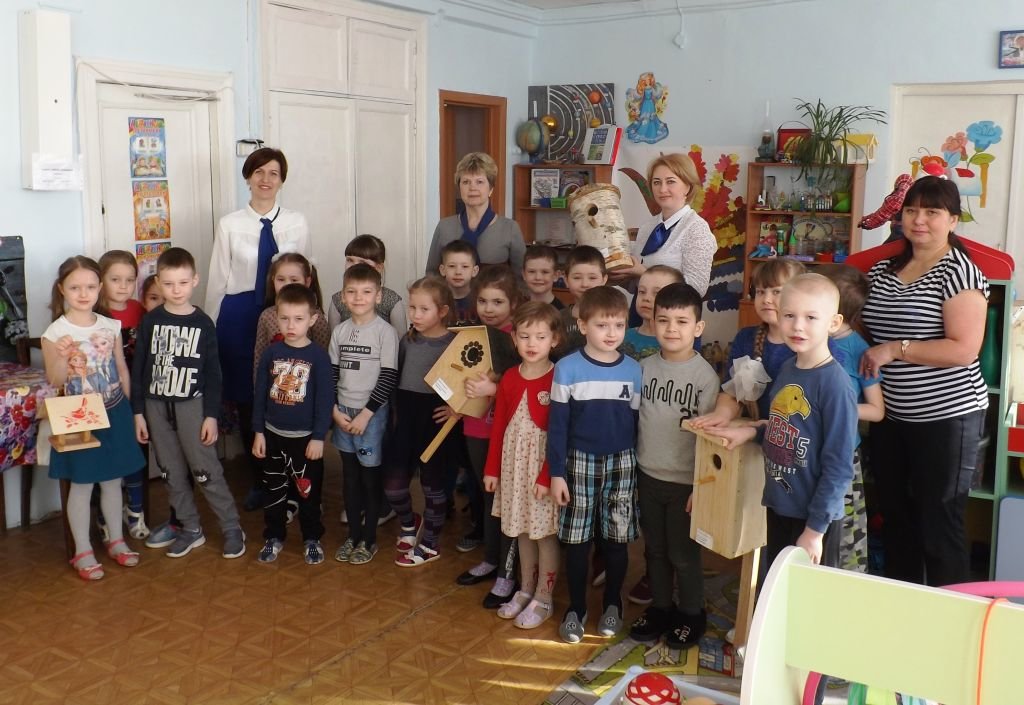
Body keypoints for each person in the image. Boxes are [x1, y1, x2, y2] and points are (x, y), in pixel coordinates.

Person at [859, 176, 989, 587]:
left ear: (952, 220)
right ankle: (904, 605)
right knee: (895, 516)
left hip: (947, 416)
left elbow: (963, 349)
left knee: (940, 522)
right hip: (890, 414)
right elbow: (862, 324)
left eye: (932, 212)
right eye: (911, 210)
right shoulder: (884, 269)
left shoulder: (960, 271)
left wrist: (895, 349)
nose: (918, 220)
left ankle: (953, 612)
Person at [707, 274, 857, 572]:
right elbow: (784, 428)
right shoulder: (789, 368)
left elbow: (839, 467)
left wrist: (815, 531)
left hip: (813, 518)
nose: (797, 326)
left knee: (807, 595)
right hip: (780, 504)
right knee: (777, 584)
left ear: (833, 322)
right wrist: (751, 432)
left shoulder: (835, 386)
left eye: (811, 317)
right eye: (789, 315)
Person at [206, 147, 311, 512]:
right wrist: (210, 328)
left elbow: (304, 274)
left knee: (287, 391)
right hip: (238, 316)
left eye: (274, 173)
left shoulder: (296, 221)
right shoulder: (230, 223)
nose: (266, 179)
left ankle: (294, 475)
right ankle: (261, 480)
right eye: (259, 172)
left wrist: (308, 315)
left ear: (282, 180)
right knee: (248, 396)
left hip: (286, 312)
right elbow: (218, 278)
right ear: (248, 177)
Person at [133, 247, 245, 559]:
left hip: (192, 407)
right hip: (156, 407)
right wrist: (139, 413)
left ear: (194, 280)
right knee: (170, 471)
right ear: (158, 282)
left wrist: (211, 416)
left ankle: (232, 527)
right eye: (168, 284)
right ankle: (190, 527)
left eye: (183, 283)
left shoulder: (203, 323)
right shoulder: (150, 321)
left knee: (205, 470)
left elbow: (213, 374)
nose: (176, 290)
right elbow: (140, 368)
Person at [547, 286, 642, 644]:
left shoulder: (633, 370)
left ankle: (612, 603)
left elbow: (636, 424)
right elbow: (557, 427)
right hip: (578, 463)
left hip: (622, 463)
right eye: (602, 325)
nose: (611, 333)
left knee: (617, 539)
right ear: (583, 325)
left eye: (619, 325)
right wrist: (557, 473)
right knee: (578, 541)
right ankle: (576, 608)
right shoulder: (566, 369)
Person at [42, 256, 146, 581]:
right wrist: (62, 357)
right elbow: (55, 380)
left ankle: (116, 540)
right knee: (83, 483)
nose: (83, 293)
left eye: (90, 286)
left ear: (99, 287)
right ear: (62, 289)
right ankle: (83, 550)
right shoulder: (55, 332)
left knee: (113, 480)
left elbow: (121, 368)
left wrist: (133, 412)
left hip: (115, 409)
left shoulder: (109, 325)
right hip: (80, 416)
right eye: (75, 287)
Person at [628, 283, 719, 647]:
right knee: (654, 550)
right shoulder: (643, 368)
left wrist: (701, 485)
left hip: (685, 483)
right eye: (663, 320)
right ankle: (661, 607)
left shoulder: (705, 377)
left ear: (698, 327)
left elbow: (710, 440)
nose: (671, 328)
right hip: (648, 475)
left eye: (682, 321)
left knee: (683, 554)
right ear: (652, 321)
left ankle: (692, 613)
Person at [483, 302, 562, 629]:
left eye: (540, 337)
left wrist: (547, 475)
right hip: (513, 467)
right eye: (525, 336)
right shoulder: (510, 377)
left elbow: (559, 435)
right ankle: (526, 589)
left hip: (541, 469)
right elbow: (499, 425)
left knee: (544, 534)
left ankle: (545, 596)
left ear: (554, 340)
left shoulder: (558, 377)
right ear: (514, 338)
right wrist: (491, 469)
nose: (532, 343)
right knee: (523, 531)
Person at [453, 266, 521, 608]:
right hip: (476, 426)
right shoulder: (473, 334)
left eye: (498, 302)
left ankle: (508, 572)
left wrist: (493, 387)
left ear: (513, 303)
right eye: (482, 301)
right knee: (487, 496)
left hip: (507, 433)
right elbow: (457, 374)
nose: (489, 308)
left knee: (506, 503)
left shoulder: (520, 337)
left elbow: (525, 381)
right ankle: (492, 559)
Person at [253, 284, 334, 565]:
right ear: (276, 317)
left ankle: (312, 539)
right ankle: (274, 536)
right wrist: (259, 432)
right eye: (284, 318)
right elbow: (260, 395)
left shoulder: (319, 357)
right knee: (274, 491)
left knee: (308, 493)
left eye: (298, 319)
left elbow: (325, 400)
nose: (291, 325)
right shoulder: (271, 353)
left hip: (306, 439)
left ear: (312, 319)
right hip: (272, 435)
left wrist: (319, 437)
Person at [387, 277, 459, 567]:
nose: (415, 315)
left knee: (433, 487)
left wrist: (456, 409)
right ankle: (409, 522)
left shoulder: (455, 343)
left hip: (435, 421)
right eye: (412, 308)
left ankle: (430, 544)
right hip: (406, 418)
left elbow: (467, 384)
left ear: (442, 311)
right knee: (394, 486)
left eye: (424, 309)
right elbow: (396, 378)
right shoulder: (407, 340)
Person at [330, 264, 400, 566]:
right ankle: (353, 536)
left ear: (378, 295)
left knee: (370, 479)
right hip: (342, 414)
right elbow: (332, 373)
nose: (359, 297)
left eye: (366, 291)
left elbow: (388, 376)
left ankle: (369, 539)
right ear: (343, 296)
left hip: (371, 415)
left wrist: (366, 414)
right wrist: (333, 410)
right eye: (352, 292)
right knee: (350, 478)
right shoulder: (340, 331)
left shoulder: (385, 332)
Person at [821, 264, 885, 573]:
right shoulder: (808, 338)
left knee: (842, 533)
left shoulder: (859, 350)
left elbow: (877, 410)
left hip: (841, 453)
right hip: (804, 451)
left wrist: (838, 408)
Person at [693, 258, 806, 426]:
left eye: (776, 292)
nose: (766, 299)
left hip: (794, 435)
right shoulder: (745, 338)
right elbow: (732, 392)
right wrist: (721, 414)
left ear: (802, 297)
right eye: (760, 292)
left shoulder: (813, 345)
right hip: (751, 431)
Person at [614, 153, 716, 326]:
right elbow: (635, 286)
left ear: (687, 187)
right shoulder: (647, 227)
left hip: (674, 321)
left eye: (670, 182)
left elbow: (696, 287)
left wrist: (643, 272)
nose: (662, 189)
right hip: (641, 316)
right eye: (656, 182)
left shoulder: (696, 229)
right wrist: (617, 274)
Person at [97, 250, 149, 540]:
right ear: (101, 281)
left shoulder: (139, 310)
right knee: (107, 458)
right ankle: (106, 517)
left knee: (134, 455)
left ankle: (136, 512)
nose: (123, 286)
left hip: (137, 391)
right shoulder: (95, 313)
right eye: (115, 279)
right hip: (105, 395)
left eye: (130, 280)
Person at [425, 152, 526, 276]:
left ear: (491, 189)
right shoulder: (444, 227)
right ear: (459, 188)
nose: (472, 187)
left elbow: (522, 277)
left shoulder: (510, 228)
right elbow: (431, 273)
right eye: (466, 182)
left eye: (479, 182)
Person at [254, 253, 330, 369]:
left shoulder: (315, 316)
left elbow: (323, 356)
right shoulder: (266, 316)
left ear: (307, 282)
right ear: (273, 280)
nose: (287, 285)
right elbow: (259, 359)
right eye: (281, 279)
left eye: (294, 280)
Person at [329, 234, 408, 336]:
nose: (355, 266)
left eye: (363, 262)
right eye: (350, 260)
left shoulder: (392, 301)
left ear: (379, 267)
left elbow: (400, 341)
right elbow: (334, 339)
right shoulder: (337, 300)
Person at [621, 265, 684, 362]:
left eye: (657, 293)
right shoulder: (621, 336)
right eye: (642, 291)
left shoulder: (676, 343)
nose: (646, 298)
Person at [556, 246, 608, 357]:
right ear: (566, 280)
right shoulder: (558, 318)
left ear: (604, 280)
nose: (585, 284)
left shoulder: (614, 318)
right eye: (577, 278)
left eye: (592, 278)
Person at [437, 240, 480, 325]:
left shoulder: (481, 299)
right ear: (442, 270)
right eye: (452, 266)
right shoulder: (435, 299)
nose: (458, 272)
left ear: (474, 271)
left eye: (465, 266)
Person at [523, 244, 565, 310]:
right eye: (532, 271)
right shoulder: (517, 309)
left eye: (545, 272)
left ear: (556, 275)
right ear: (524, 274)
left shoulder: (562, 313)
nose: (538, 277)